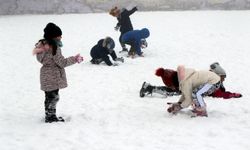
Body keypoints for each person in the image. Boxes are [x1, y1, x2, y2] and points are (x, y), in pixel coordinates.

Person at [33, 22, 83, 123]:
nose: (61, 37)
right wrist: (75, 59)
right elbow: (62, 62)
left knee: (49, 97)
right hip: (53, 76)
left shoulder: (42, 46)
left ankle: (49, 115)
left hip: (45, 74)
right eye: (59, 35)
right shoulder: (54, 48)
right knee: (54, 97)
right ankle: (51, 118)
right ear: (53, 36)